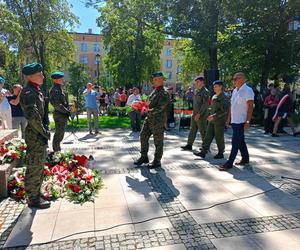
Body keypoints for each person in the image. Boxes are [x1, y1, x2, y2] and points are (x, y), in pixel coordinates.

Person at [19, 63, 50, 209]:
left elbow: (42, 116)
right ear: (31, 77)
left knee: (39, 165)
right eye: (40, 74)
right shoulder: (29, 92)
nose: (43, 76)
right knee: (34, 166)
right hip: (35, 134)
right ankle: (33, 199)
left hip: (38, 133)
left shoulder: (35, 90)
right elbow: (33, 117)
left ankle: (36, 193)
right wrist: (44, 132)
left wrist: (46, 128)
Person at [219, 72, 254, 171]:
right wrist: (228, 118)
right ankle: (245, 159)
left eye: (236, 78)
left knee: (235, 142)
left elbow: (250, 107)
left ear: (243, 79)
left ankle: (229, 163)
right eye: (233, 79)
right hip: (235, 120)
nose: (234, 80)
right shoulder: (235, 90)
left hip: (241, 121)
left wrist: (248, 121)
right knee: (241, 141)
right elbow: (231, 106)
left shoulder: (248, 90)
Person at [134, 72, 169, 168]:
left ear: (161, 79)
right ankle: (144, 156)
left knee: (158, 141)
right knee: (143, 136)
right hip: (149, 119)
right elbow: (148, 103)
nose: (153, 81)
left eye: (155, 79)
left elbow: (160, 108)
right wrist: (141, 106)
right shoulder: (154, 91)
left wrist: (147, 110)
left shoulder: (164, 93)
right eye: (153, 79)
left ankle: (157, 161)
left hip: (158, 121)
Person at [194, 80, 229, 159]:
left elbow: (224, 111)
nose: (214, 88)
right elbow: (211, 107)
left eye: (216, 86)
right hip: (212, 120)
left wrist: (214, 116)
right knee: (208, 136)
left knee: (219, 137)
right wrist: (209, 113)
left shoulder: (224, 97)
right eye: (213, 87)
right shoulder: (214, 96)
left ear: (221, 87)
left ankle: (221, 153)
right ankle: (203, 151)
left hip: (219, 121)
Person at [181, 76, 209, 151]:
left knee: (203, 131)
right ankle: (189, 145)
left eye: (198, 82)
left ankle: (206, 147)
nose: (196, 84)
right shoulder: (197, 91)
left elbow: (205, 105)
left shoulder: (205, 92)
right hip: (195, 113)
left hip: (201, 115)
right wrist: (195, 113)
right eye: (196, 82)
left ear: (202, 83)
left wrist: (199, 114)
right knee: (192, 129)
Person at [49, 72, 70, 152]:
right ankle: (56, 152)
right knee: (59, 134)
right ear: (56, 80)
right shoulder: (55, 90)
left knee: (60, 134)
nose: (63, 80)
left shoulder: (59, 88)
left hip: (62, 114)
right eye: (61, 78)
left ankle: (57, 150)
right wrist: (66, 111)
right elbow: (56, 103)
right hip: (59, 115)